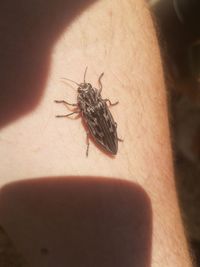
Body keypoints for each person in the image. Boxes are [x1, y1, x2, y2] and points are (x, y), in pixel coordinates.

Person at [0, 0, 193, 266]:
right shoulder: (93, 103)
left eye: (87, 88)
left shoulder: (91, 104)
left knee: (101, 124)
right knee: (101, 124)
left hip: (104, 130)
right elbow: (92, 113)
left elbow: (91, 114)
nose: (86, 90)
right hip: (104, 130)